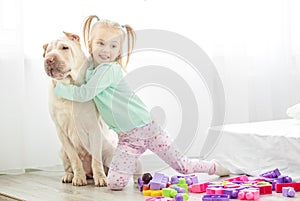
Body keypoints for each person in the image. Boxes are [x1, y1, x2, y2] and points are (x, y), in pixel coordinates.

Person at [54, 15, 230, 190]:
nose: (106, 51)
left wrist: (59, 88)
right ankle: (135, 165)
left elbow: (85, 93)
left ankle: (213, 167)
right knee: (115, 184)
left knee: (183, 166)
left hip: (147, 129)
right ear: (90, 43)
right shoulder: (91, 67)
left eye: (113, 46)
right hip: (127, 138)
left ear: (118, 52)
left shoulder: (109, 69)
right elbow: (80, 66)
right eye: (100, 43)